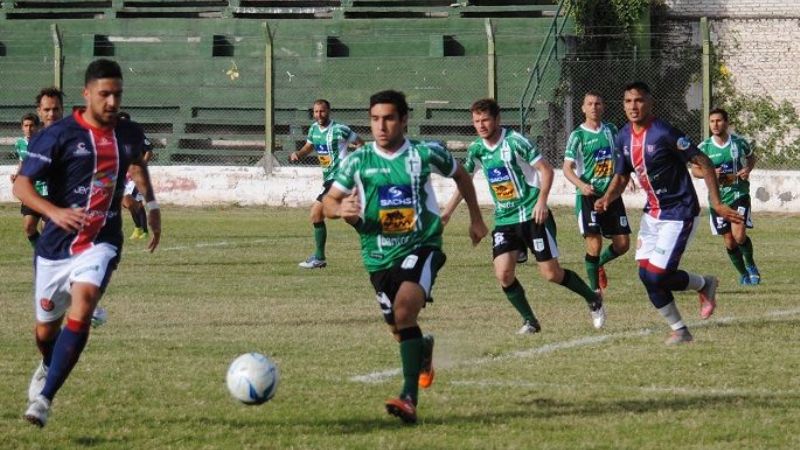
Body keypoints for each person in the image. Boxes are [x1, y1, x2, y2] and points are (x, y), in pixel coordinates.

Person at [323, 90, 487, 424]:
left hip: (421, 246)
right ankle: (422, 350)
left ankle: (408, 396)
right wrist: (341, 208)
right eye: (375, 119)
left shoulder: (425, 155)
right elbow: (327, 203)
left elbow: (461, 175)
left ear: (404, 119)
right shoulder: (357, 161)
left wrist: (475, 218)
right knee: (400, 329)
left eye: (389, 118)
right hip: (378, 257)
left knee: (404, 309)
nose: (381, 126)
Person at [15, 58, 161, 427]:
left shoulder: (128, 134)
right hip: (55, 246)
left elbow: (137, 167)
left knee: (85, 301)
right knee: (45, 330)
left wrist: (153, 205)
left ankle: (44, 399)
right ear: (87, 94)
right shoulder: (58, 135)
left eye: (117, 94)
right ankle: (48, 362)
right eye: (104, 94)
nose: (112, 102)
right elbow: (21, 185)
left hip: (101, 240)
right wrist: (53, 211)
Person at [594, 81, 743, 345]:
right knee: (645, 275)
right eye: (628, 101)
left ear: (650, 103)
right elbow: (621, 175)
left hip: (680, 211)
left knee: (657, 275)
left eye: (639, 100)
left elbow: (704, 163)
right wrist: (607, 197)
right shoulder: (622, 136)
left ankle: (703, 285)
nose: (633, 106)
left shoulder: (664, 132)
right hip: (653, 214)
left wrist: (717, 204)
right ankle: (681, 329)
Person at [442, 98, 606, 335]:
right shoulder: (477, 149)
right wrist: (447, 212)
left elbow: (546, 170)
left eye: (485, 119)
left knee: (551, 274)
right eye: (476, 121)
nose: (481, 125)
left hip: (532, 215)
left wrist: (541, 201)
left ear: (497, 119)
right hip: (505, 220)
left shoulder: (515, 141)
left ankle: (593, 298)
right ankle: (530, 320)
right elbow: (464, 181)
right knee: (503, 274)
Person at [562, 92, 630, 295]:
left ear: (603, 107)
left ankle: (598, 264)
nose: (594, 107)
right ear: (583, 108)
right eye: (589, 104)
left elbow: (619, 156)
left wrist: (628, 175)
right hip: (588, 197)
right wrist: (581, 185)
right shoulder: (578, 135)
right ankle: (594, 292)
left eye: (597, 103)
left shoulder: (611, 129)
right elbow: (567, 168)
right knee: (594, 243)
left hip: (611, 194)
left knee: (623, 244)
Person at [290, 99, 364, 269]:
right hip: (329, 179)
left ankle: (319, 258)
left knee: (316, 213)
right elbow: (309, 146)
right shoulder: (313, 129)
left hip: (340, 178)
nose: (319, 115)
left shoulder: (340, 129)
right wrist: (299, 154)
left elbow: (360, 143)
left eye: (322, 111)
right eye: (316, 112)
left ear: (328, 111)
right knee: (349, 217)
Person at [692, 108, 760, 285]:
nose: (715, 124)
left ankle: (751, 265)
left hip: (739, 193)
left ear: (726, 123)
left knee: (739, 236)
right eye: (712, 121)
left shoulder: (739, 143)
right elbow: (695, 170)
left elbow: (751, 158)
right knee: (729, 241)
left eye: (719, 121)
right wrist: (710, 172)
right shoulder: (704, 147)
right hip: (717, 199)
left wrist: (748, 169)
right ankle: (743, 273)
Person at [118, 111, 155, 240]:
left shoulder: (136, 136)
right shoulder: (115, 137)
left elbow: (149, 151)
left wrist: (141, 166)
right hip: (123, 176)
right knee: (126, 203)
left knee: (135, 201)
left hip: (135, 175)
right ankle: (138, 228)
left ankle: (143, 230)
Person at [10, 113, 45, 247]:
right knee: (29, 227)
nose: (29, 129)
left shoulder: (45, 143)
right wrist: (17, 175)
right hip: (30, 191)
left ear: (37, 127)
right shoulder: (20, 144)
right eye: (26, 126)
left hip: (47, 191)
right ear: (22, 127)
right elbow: (22, 162)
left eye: (32, 126)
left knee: (47, 229)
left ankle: (49, 257)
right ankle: (43, 253)